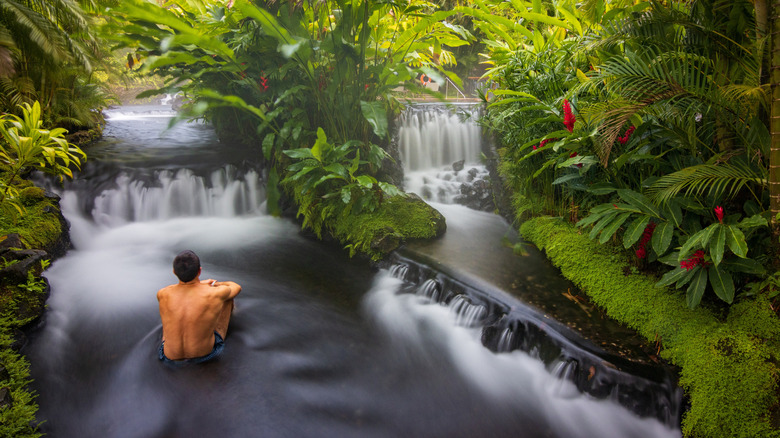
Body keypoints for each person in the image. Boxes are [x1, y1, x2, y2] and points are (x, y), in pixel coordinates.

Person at [157, 250, 241, 364]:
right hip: (206, 355)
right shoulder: (215, 293)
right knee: (227, 299)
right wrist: (214, 284)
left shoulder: (162, 294)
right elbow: (236, 287)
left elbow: (180, 289)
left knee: (171, 310)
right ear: (199, 271)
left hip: (168, 357)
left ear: (174, 272)